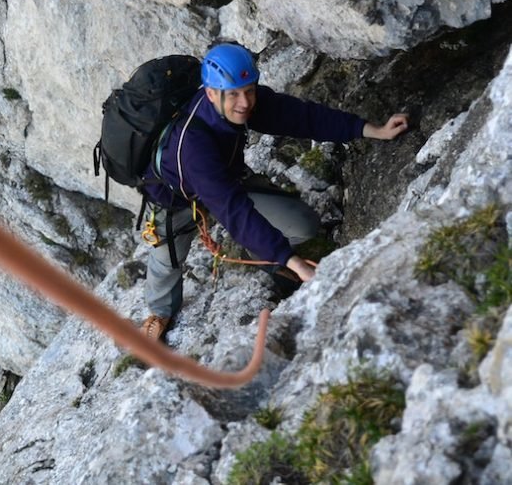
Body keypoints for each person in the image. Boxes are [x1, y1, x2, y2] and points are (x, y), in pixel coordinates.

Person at [138, 43, 409, 340]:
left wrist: (370, 129)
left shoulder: (244, 102)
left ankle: (262, 249)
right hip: (174, 197)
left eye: (249, 90)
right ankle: (159, 312)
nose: (245, 102)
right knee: (167, 261)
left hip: (226, 178)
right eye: (234, 95)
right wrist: (295, 263)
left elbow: (304, 118)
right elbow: (235, 213)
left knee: (302, 225)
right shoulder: (194, 147)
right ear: (211, 93)